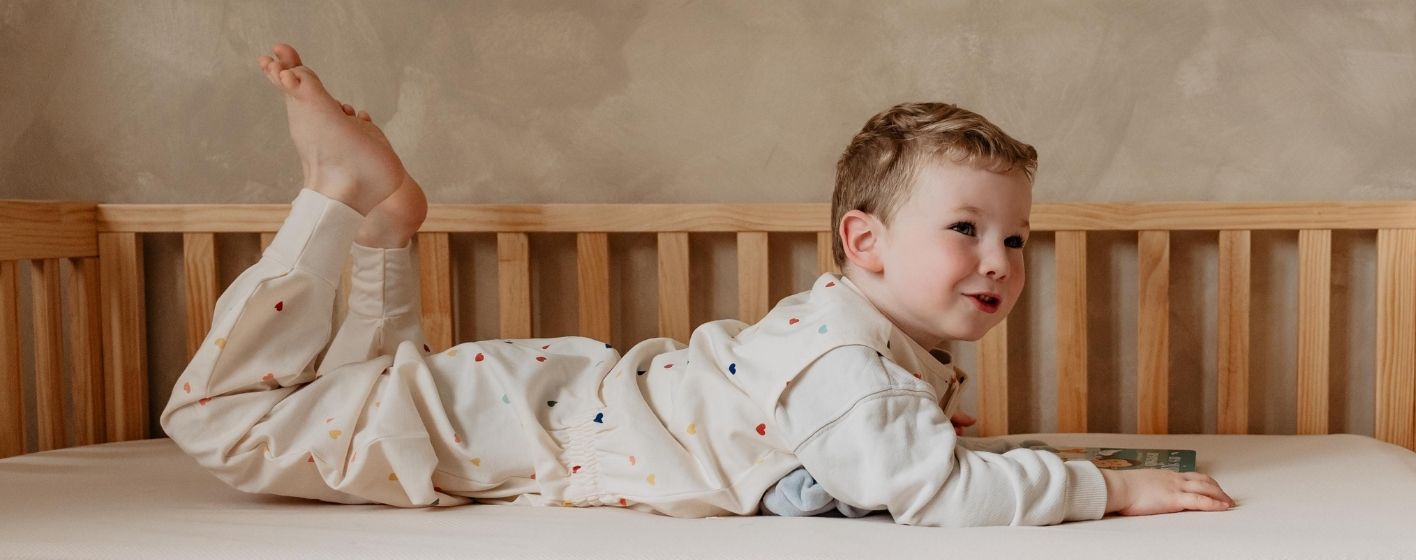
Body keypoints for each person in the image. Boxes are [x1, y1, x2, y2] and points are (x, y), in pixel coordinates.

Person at [160, 43, 1235, 527]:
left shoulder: (868, 344)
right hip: (508, 417)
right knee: (212, 422)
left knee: (362, 391)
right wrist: (1108, 485)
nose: (1000, 259)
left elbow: (894, 450)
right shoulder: (846, 364)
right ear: (863, 240)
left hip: (524, 400)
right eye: (967, 229)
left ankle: (384, 233)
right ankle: (337, 202)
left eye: (1015, 237)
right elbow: (941, 495)